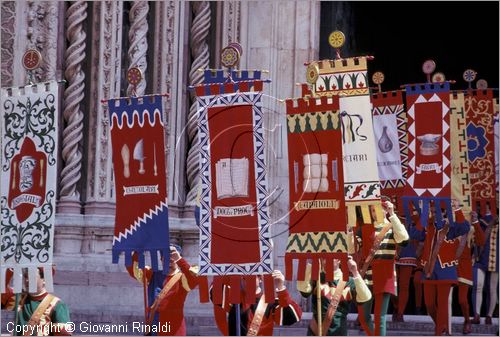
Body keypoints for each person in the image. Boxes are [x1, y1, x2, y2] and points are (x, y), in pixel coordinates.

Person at [347, 199, 409, 336]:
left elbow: (404, 240)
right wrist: (350, 231)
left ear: (386, 210)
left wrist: (393, 215)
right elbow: (352, 248)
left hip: (385, 276)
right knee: (363, 317)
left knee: (380, 318)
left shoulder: (393, 226)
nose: (375, 213)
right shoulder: (364, 227)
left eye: (378, 210)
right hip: (366, 276)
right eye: (373, 210)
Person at [410, 200, 470, 335]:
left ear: (444, 213)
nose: (434, 214)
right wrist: (424, 216)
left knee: (442, 304)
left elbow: (465, 227)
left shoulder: (451, 226)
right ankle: (441, 327)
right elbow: (414, 234)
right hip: (428, 270)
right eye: (432, 211)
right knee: (429, 304)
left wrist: (457, 209)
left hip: (446, 270)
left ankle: (438, 333)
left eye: (437, 211)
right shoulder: (427, 226)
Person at [126, 244, 199, 336]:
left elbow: (194, 280)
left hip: (174, 330)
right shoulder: (152, 275)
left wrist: (180, 260)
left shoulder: (183, 278)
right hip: (155, 328)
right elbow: (133, 270)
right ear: (161, 259)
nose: (169, 261)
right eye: (166, 258)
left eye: (172, 258)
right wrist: (138, 251)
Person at [212, 270, 302, 336]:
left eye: (251, 275)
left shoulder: (270, 302)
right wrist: (233, 269)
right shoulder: (234, 297)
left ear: (260, 278)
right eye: (243, 276)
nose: (246, 279)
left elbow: (292, 317)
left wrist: (281, 287)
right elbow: (215, 291)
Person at [297, 256, 371, 335]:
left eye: (330, 255)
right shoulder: (316, 278)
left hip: (339, 331)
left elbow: (365, 298)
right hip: (317, 331)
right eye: (323, 255)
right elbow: (303, 290)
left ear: (339, 259)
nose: (324, 259)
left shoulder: (349, 281)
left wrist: (355, 272)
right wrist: (311, 264)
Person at [1, 267, 72, 336]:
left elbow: (62, 334)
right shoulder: (19, 299)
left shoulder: (57, 305)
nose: (27, 280)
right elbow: (2, 295)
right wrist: (9, 270)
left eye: (32, 277)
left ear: (45, 280)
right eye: (26, 276)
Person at [456, 211, 485, 334]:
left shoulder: (471, 228)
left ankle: (467, 320)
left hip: (464, 265)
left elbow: (481, 241)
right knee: (444, 299)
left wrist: (476, 221)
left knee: (462, 299)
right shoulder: (446, 222)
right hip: (446, 265)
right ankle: (442, 324)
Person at [471, 210, 499, 325]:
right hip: (480, 256)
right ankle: (476, 315)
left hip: (496, 256)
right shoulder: (476, 214)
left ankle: (489, 316)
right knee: (478, 286)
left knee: (492, 289)